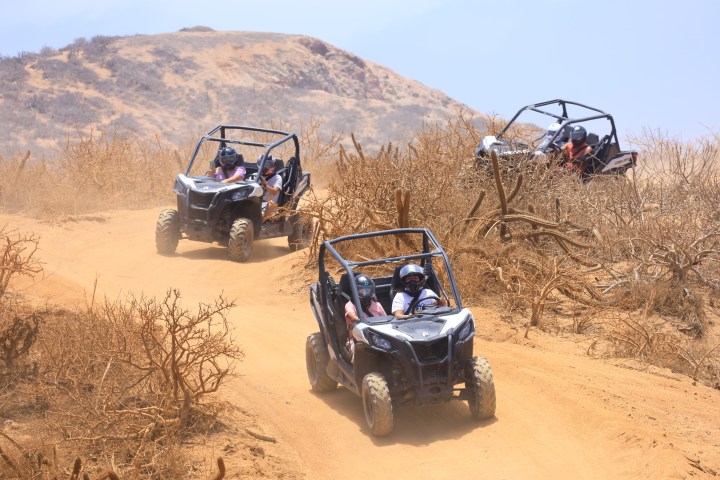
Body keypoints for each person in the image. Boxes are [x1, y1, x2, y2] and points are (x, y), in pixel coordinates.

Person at [344, 273, 386, 362]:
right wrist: (360, 320)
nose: (365, 294)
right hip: (357, 339)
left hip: (378, 338)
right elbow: (352, 317)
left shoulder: (377, 305)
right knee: (357, 352)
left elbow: (386, 320)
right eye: (362, 291)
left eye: (368, 291)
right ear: (355, 291)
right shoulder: (350, 305)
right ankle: (356, 373)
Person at [259, 155, 283, 222]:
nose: (264, 166)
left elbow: (274, 192)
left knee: (271, 203)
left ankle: (261, 222)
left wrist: (265, 185)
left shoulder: (277, 178)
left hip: (269, 204)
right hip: (256, 202)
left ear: (273, 166)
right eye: (262, 163)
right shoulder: (256, 175)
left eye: (267, 164)